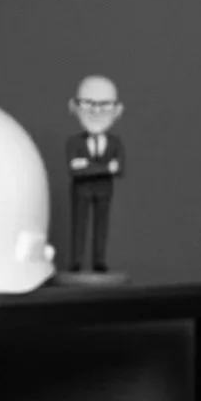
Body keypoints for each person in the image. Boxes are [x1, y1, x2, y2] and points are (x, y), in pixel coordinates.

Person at [64, 74, 125, 275]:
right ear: (74, 106)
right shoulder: (74, 143)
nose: (96, 111)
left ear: (117, 110)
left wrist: (88, 166)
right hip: (81, 191)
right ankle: (76, 261)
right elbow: (74, 169)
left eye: (104, 105)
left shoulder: (116, 143)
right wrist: (106, 167)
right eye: (88, 104)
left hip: (104, 191)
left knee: (102, 227)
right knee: (79, 226)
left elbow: (121, 169)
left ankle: (99, 261)